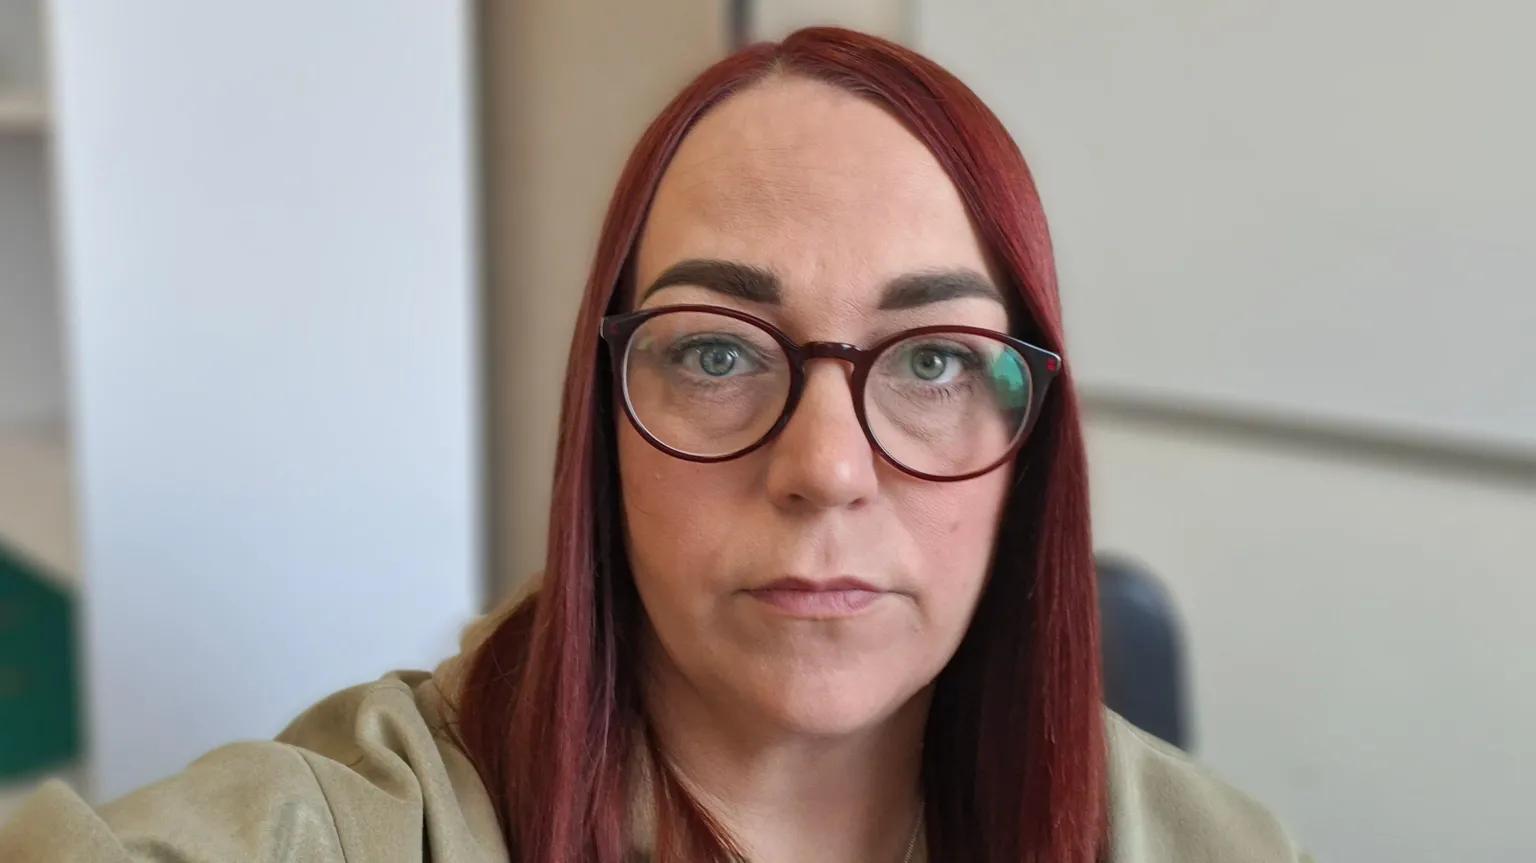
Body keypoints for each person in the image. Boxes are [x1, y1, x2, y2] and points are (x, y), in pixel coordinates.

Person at [0, 26, 1309, 863]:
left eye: (933, 362)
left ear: (1032, 446)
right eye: (719, 351)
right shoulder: (379, 823)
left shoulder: (1211, 844)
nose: (827, 468)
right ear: (601, 421)